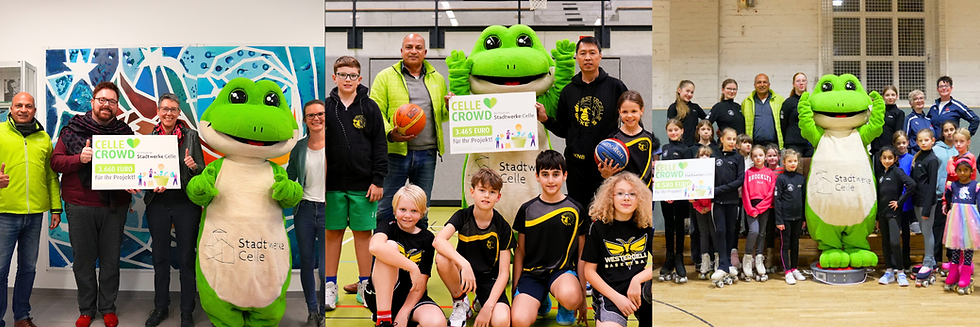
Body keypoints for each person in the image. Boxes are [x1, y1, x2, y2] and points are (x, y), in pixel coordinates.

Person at [50, 81, 134, 327]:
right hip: (79, 205)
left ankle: (107, 307)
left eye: (112, 101)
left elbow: (134, 168)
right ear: (93, 102)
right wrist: (79, 158)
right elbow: (56, 163)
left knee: (110, 261)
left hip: (114, 206)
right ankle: (87, 309)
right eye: (102, 100)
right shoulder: (73, 129)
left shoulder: (125, 134)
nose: (106, 105)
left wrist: (133, 179)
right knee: (84, 261)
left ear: (117, 107)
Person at [541, 36, 628, 226]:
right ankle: (581, 255)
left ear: (600, 56)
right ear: (576, 58)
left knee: (607, 215)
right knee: (581, 218)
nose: (587, 58)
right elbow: (564, 130)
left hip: (607, 165)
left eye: (592, 53)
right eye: (583, 53)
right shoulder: (568, 91)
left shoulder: (616, 87)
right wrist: (546, 120)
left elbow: (629, 120)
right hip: (576, 167)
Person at [370, 33, 447, 231]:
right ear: (402, 50)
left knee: (420, 210)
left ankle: (417, 259)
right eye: (409, 47)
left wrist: (451, 105)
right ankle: (383, 258)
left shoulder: (437, 78)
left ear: (425, 52)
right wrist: (391, 134)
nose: (414, 51)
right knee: (386, 209)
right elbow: (375, 111)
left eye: (418, 47)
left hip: (427, 153)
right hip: (394, 153)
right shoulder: (385, 77)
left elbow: (442, 115)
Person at [328, 56, 389, 307]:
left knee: (364, 235)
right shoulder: (326, 108)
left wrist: (378, 180)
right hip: (331, 186)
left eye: (352, 75)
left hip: (364, 186)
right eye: (343, 74)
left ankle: (365, 285)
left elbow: (380, 146)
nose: (348, 79)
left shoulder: (370, 108)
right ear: (334, 77)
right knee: (333, 234)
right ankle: (330, 286)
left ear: (360, 79)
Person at [142, 93, 205, 327]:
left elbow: (202, 172)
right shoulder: (149, 139)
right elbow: (144, 175)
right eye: (165, 109)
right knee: (160, 257)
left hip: (185, 203)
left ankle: (187, 311)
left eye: (174, 109)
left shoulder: (191, 136)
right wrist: (149, 184)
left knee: (187, 257)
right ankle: (160, 307)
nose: (169, 113)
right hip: (157, 203)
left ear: (179, 113)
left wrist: (193, 166)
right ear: (158, 112)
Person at [0, 92, 62, 327]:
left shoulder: (44, 138)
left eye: (28, 106)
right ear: (11, 108)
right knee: (0, 270)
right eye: (19, 105)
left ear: (34, 111)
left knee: (27, 268)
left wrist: (56, 208)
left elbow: (51, 175)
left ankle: (22, 316)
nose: (23, 109)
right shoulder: (0, 132)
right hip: (4, 212)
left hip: (35, 214)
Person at [512, 150, 588, 327]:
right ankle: (542, 298)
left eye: (556, 174)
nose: (551, 180)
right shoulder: (527, 209)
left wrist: (582, 297)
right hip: (532, 275)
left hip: (562, 273)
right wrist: (515, 287)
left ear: (565, 176)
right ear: (537, 176)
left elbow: (582, 254)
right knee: (519, 321)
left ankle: (565, 304)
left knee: (571, 297)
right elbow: (520, 251)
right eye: (545, 175)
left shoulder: (576, 209)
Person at [433, 168, 514, 327]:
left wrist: (489, 307)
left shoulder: (502, 226)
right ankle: (460, 302)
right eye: (482, 190)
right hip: (463, 273)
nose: (486, 195)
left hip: (489, 279)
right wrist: (464, 264)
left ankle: (481, 300)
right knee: (442, 258)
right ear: (472, 192)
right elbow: (438, 240)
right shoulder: (462, 216)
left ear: (498, 197)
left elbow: (504, 273)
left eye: (492, 192)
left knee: (502, 321)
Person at [364, 185, 445, 327]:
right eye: (403, 210)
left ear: (422, 213)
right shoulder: (387, 226)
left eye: (414, 211)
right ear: (395, 210)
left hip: (411, 298)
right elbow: (375, 246)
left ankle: (399, 318)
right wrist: (412, 267)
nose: (407, 215)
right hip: (381, 297)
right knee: (389, 247)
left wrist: (404, 313)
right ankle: (383, 320)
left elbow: (421, 283)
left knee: (437, 323)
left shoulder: (426, 238)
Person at [582, 172, 653, 327]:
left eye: (632, 194)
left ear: (639, 198)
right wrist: (617, 298)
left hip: (638, 291)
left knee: (654, 287)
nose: (626, 198)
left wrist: (637, 279)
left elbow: (663, 265)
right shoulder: (598, 227)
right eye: (620, 193)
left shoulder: (645, 226)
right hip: (610, 294)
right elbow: (589, 272)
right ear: (610, 197)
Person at [287, 98, 327, 326]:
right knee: (307, 264)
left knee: (324, 270)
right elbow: (290, 177)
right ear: (304, 120)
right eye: (311, 115)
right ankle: (312, 311)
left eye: (320, 114)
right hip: (304, 210)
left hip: (328, 211)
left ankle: (324, 310)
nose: (316, 118)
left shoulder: (337, 144)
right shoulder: (300, 147)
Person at [875, 146, 915, 287]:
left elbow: (911, 184)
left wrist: (900, 202)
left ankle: (901, 272)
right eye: (884, 158)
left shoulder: (897, 172)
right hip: (882, 214)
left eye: (890, 158)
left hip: (894, 214)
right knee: (885, 243)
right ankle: (889, 271)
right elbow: (880, 197)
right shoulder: (880, 175)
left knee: (894, 242)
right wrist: (877, 218)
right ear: (880, 159)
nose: (887, 160)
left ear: (895, 159)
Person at [709, 128, 744, 287]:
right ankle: (722, 264)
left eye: (734, 139)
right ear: (721, 139)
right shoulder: (713, 156)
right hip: (717, 203)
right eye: (728, 139)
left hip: (732, 202)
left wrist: (718, 190)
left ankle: (728, 263)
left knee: (731, 232)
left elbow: (739, 181)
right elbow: (707, 178)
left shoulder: (738, 158)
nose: (731, 142)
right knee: (720, 231)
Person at [604, 91, 658, 189]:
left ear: (641, 111)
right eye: (625, 112)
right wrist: (606, 173)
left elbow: (655, 168)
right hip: (621, 193)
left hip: (645, 194)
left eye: (634, 111)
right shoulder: (612, 140)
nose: (629, 116)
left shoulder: (649, 138)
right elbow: (606, 176)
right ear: (619, 112)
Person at [941, 160, 980, 294]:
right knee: (956, 245)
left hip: (970, 219)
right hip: (956, 218)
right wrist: (948, 206)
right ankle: (953, 273)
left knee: (968, 246)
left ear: (971, 171)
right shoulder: (953, 185)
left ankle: (965, 274)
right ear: (956, 171)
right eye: (960, 170)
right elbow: (947, 197)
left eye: (966, 170)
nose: (962, 173)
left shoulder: (976, 186)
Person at [658, 119, 689, 283]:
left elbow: (687, 174)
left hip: (680, 196)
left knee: (679, 226)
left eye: (676, 130)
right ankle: (668, 257)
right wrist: (665, 192)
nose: (673, 133)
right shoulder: (664, 149)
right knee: (668, 225)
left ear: (682, 131)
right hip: (666, 196)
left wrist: (677, 193)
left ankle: (679, 258)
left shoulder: (686, 150)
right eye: (670, 130)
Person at [741, 145, 776, 282]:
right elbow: (745, 193)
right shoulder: (748, 173)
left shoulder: (770, 173)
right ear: (752, 158)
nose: (758, 158)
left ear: (765, 156)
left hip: (764, 207)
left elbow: (770, 194)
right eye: (755, 156)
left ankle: (760, 258)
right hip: (751, 207)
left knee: (762, 233)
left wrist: (760, 208)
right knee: (753, 231)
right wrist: (751, 209)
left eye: (760, 155)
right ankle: (748, 257)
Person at [910, 128, 940, 285]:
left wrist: (927, 207)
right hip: (917, 201)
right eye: (920, 140)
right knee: (924, 232)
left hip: (926, 203)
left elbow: (931, 185)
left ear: (932, 141)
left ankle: (928, 262)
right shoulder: (919, 156)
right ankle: (932, 261)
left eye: (926, 140)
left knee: (928, 233)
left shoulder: (932, 160)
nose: (923, 143)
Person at [774, 149, 807, 285]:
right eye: (790, 161)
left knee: (795, 244)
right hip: (785, 219)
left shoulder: (801, 179)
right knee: (785, 244)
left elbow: (803, 198)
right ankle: (787, 271)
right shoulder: (781, 179)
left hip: (798, 218)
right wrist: (779, 219)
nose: (793, 164)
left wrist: (804, 218)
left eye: (795, 161)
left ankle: (794, 268)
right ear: (784, 162)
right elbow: (777, 200)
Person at [690, 146, 716, 280]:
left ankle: (716, 260)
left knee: (714, 233)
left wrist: (710, 206)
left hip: (713, 207)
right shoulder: (694, 173)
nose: (704, 157)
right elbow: (691, 192)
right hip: (700, 208)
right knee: (703, 233)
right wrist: (699, 207)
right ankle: (705, 260)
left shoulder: (715, 172)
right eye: (702, 155)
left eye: (707, 155)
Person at [741, 74, 784, 148]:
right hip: (754, 146)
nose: (762, 85)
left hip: (774, 146)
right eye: (759, 82)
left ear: (769, 85)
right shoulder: (747, 102)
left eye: (765, 82)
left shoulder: (780, 100)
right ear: (754, 85)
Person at [894, 131, 915, 269]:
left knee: (906, 233)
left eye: (904, 142)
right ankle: (895, 261)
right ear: (894, 145)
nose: (901, 145)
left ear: (908, 142)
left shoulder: (913, 159)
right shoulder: (892, 160)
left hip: (907, 201)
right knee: (895, 233)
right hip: (894, 201)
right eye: (898, 143)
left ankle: (906, 260)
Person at [780, 73, 813, 159]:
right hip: (794, 144)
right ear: (793, 84)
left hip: (809, 144)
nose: (801, 83)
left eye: (803, 81)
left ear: (806, 83)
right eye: (798, 81)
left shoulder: (811, 101)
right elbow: (783, 124)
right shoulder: (788, 103)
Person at [871, 86, 906, 162]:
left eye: (893, 95)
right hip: (877, 149)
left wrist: (894, 150)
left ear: (897, 96)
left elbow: (898, 133)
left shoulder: (899, 113)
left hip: (890, 150)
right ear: (883, 97)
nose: (890, 97)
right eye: (887, 95)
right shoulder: (878, 111)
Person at [667, 80, 705, 146]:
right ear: (679, 90)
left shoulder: (695, 107)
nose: (689, 94)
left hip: (694, 144)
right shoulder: (673, 108)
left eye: (692, 92)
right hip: (680, 145)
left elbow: (706, 120)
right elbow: (671, 128)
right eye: (687, 91)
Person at [903, 89, 931, 154]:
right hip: (916, 155)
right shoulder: (909, 119)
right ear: (911, 103)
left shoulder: (928, 119)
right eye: (915, 99)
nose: (919, 101)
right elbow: (905, 139)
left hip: (930, 155)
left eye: (921, 98)